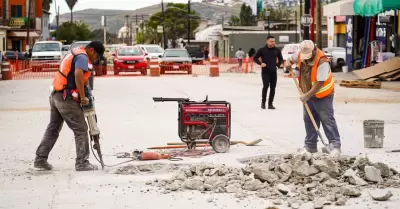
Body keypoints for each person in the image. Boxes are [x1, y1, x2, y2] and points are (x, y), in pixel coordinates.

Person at [34, 41, 105, 171]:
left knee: (53, 129)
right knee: (81, 129)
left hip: (56, 94)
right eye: (97, 57)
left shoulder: (75, 52)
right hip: (66, 98)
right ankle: (82, 162)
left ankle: (40, 159)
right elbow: (78, 74)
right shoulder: (83, 57)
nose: (96, 60)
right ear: (92, 50)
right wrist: (83, 97)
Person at [285, 40, 341, 155]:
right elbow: (290, 59)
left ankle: (335, 146)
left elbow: (320, 83)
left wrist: (306, 96)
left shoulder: (322, 61)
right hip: (308, 93)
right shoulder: (301, 53)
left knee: (327, 119)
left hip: (323, 95)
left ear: (314, 49)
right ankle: (310, 146)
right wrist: (288, 63)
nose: (306, 58)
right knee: (309, 119)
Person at [253, 36, 283, 109]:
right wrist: (261, 64)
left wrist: (277, 66)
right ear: (267, 42)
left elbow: (281, 59)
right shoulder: (262, 50)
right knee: (266, 86)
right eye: (271, 41)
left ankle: (270, 104)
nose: (273, 43)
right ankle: (263, 103)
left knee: (273, 88)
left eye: (274, 41)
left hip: (273, 72)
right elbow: (255, 58)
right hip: (265, 71)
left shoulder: (277, 50)